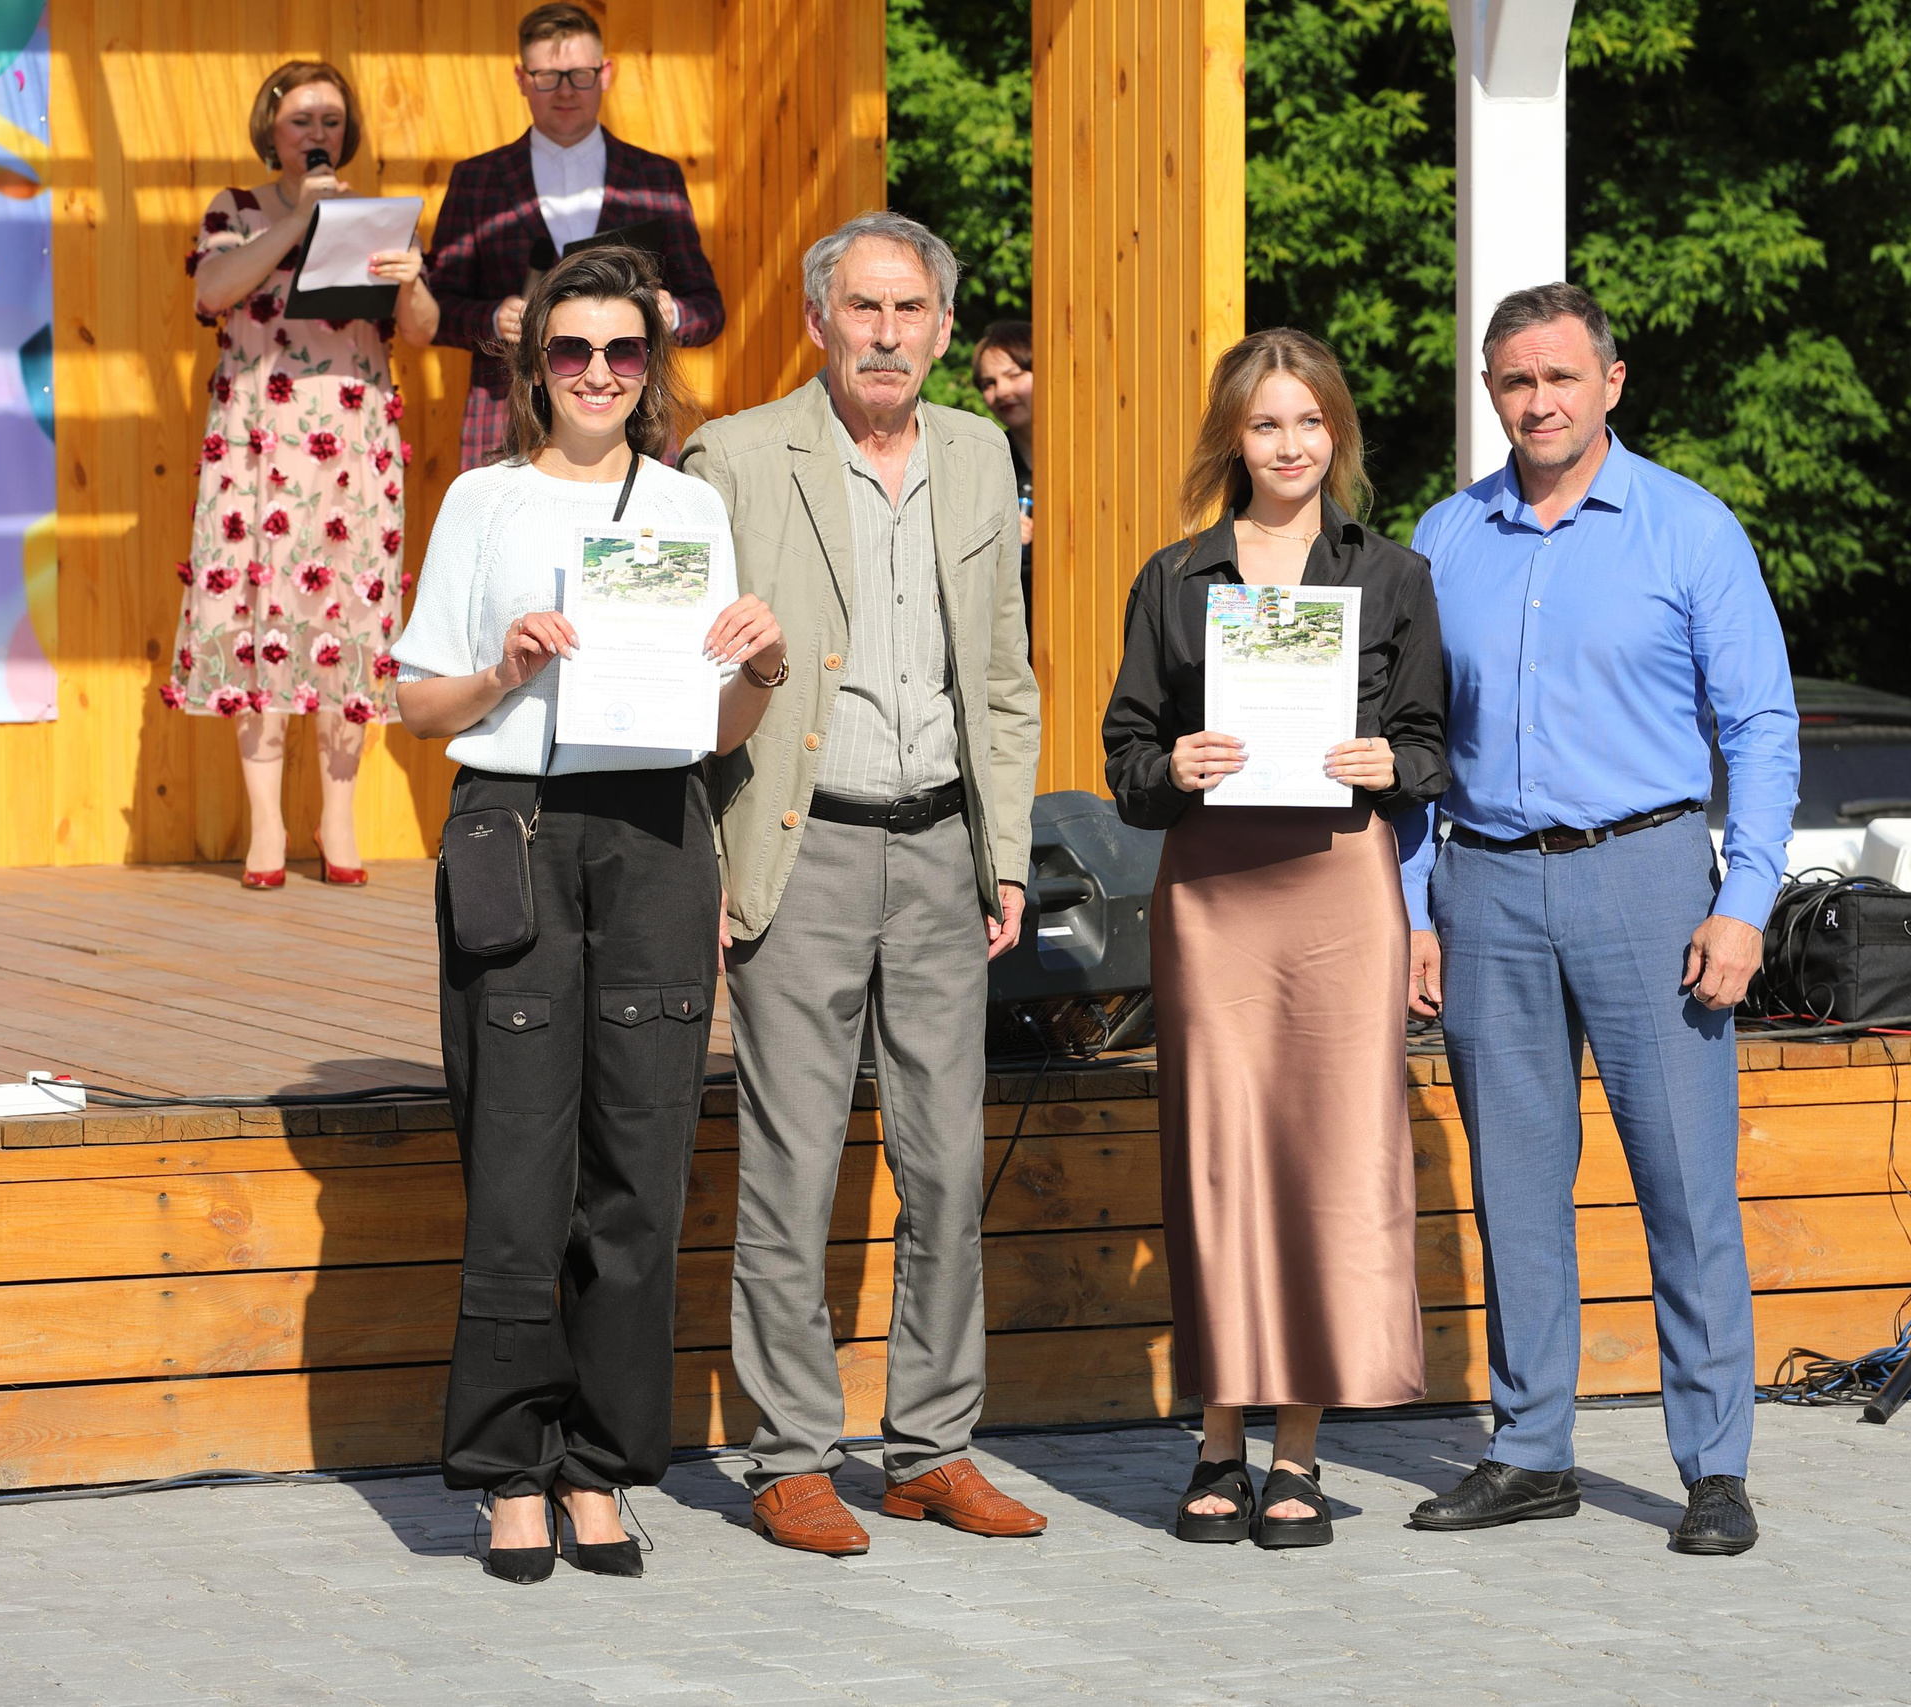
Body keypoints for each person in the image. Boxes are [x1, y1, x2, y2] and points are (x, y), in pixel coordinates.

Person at [391, 245, 786, 1585]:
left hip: (660, 839)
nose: (600, 375)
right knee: (517, 1168)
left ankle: (608, 1466)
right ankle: (509, 1469)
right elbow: (417, 704)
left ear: (650, 365)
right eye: (574, 353)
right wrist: (503, 663)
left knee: (638, 1170)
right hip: (515, 829)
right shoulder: (483, 501)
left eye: (623, 352)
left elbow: (719, 722)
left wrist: (764, 670)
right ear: (536, 366)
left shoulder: (686, 504)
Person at [1399, 281, 1798, 1557]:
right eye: (1516, 381)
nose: (1540, 401)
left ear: (1609, 383)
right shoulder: (1443, 539)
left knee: (1683, 1188)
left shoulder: (1688, 530)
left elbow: (1761, 728)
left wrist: (1745, 900)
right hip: (1488, 886)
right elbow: (1409, 748)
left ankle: (1712, 1466)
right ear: (1491, 392)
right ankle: (1529, 1450)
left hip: (1651, 880)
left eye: (1561, 377)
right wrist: (1415, 907)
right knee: (1516, 1185)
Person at [680, 212, 1043, 1557]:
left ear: (945, 329)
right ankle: (787, 1453)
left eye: (912, 312)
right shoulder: (732, 458)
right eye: (864, 310)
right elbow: (691, 682)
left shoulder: (976, 449)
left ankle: (932, 1445)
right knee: (790, 1159)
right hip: (800, 839)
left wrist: (1004, 848)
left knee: (946, 1162)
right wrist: (714, 855)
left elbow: (1001, 673)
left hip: (944, 846)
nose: (887, 333)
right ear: (820, 319)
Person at [1100, 329, 1447, 1548]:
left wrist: (1390, 761)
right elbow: (1126, 751)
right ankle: (1216, 1442)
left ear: (1335, 434)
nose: (1290, 445)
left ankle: (1297, 1452)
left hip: (1340, 888)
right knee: (1219, 1159)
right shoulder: (1175, 577)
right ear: (1231, 439)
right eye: (1265, 425)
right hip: (1214, 896)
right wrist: (1172, 764)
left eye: (1309, 423)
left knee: (1330, 1160)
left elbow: (1432, 747)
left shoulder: (1392, 575)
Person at [164, 60, 438, 888]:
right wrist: (302, 225)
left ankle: (339, 817)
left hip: (352, 440)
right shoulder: (235, 210)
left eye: (328, 120)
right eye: (299, 121)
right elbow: (215, 289)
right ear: (271, 130)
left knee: (347, 616)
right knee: (256, 614)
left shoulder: (381, 217)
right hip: (257, 438)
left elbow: (421, 332)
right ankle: (267, 826)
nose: (316, 134)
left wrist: (413, 278)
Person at [425, 2, 725, 473]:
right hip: (508, 420)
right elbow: (436, 308)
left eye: (580, 75)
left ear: (605, 74)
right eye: (547, 76)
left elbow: (709, 309)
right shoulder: (477, 178)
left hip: (632, 419)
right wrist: (492, 316)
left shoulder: (654, 176)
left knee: (629, 548)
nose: (565, 91)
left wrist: (671, 313)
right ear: (521, 79)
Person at [969, 321, 1036, 618]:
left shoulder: (1088, 457)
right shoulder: (983, 463)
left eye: (1014, 375)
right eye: (988, 384)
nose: (1002, 391)